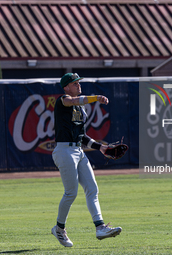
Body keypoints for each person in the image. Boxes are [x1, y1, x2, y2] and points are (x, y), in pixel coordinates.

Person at [51, 73, 122, 247]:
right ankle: (59, 229)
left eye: (79, 83)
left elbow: (81, 136)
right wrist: (96, 98)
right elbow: (73, 101)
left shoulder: (80, 110)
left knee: (92, 188)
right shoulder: (63, 100)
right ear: (66, 87)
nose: (78, 85)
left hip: (78, 150)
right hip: (64, 150)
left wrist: (100, 147)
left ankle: (100, 227)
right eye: (74, 83)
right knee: (71, 193)